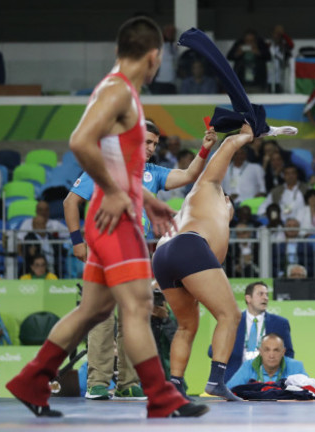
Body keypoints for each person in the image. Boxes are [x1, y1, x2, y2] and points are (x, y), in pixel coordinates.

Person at [6, 16, 206, 418]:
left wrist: (146, 199)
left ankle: (31, 379)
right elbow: (80, 141)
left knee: (93, 310)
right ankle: (162, 397)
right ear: (154, 56)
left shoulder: (118, 90)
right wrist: (118, 195)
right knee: (136, 303)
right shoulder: (119, 91)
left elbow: (120, 165)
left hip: (113, 213)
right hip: (115, 219)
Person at [63, 119, 215, 401]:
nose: (151, 148)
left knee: (134, 319)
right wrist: (76, 242)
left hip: (138, 253)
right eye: (146, 142)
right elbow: (70, 202)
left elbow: (187, 175)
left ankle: (127, 383)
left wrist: (205, 150)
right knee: (103, 318)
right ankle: (97, 383)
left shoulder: (152, 173)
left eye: (155, 144)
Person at [152, 125, 256, 402]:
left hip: (166, 256)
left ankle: (175, 383)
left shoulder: (213, 218)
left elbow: (173, 248)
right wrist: (240, 138)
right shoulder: (208, 188)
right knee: (230, 315)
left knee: (187, 325)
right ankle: (216, 382)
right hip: (188, 248)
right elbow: (224, 152)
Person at [207, 281, 294, 383]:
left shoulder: (280, 323)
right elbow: (212, 351)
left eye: (267, 294)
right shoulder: (232, 322)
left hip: (269, 380)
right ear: (248, 298)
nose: (265, 298)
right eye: (260, 294)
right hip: (234, 378)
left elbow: (288, 353)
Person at [226, 333, 306, 388]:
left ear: (283, 352)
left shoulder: (296, 367)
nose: (271, 355)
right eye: (267, 350)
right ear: (260, 351)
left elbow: (311, 390)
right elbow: (230, 390)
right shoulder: (248, 366)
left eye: (276, 350)